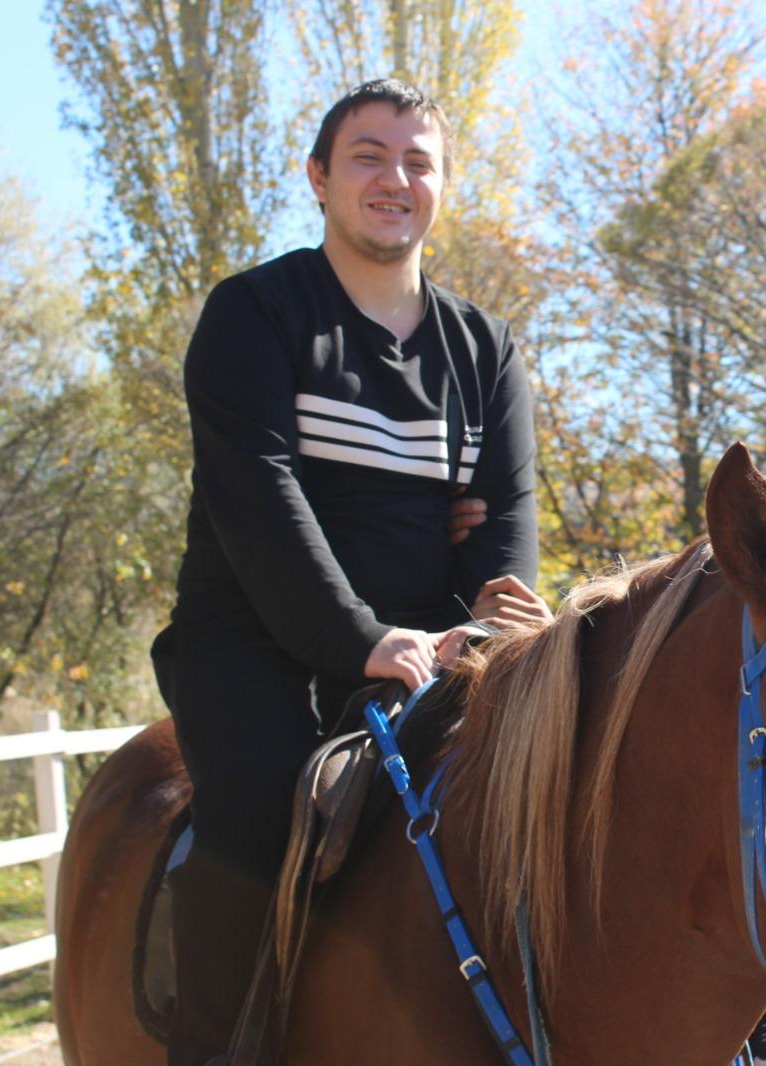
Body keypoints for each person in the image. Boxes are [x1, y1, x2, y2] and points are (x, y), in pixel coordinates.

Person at [155, 78, 546, 1066]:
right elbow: (262, 496)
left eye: (419, 161)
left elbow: (501, 511)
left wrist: (490, 627)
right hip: (254, 642)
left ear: (442, 187)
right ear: (319, 178)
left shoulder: (484, 352)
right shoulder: (254, 316)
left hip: (433, 642)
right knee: (252, 813)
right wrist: (363, 639)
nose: (394, 178)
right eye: (368, 156)